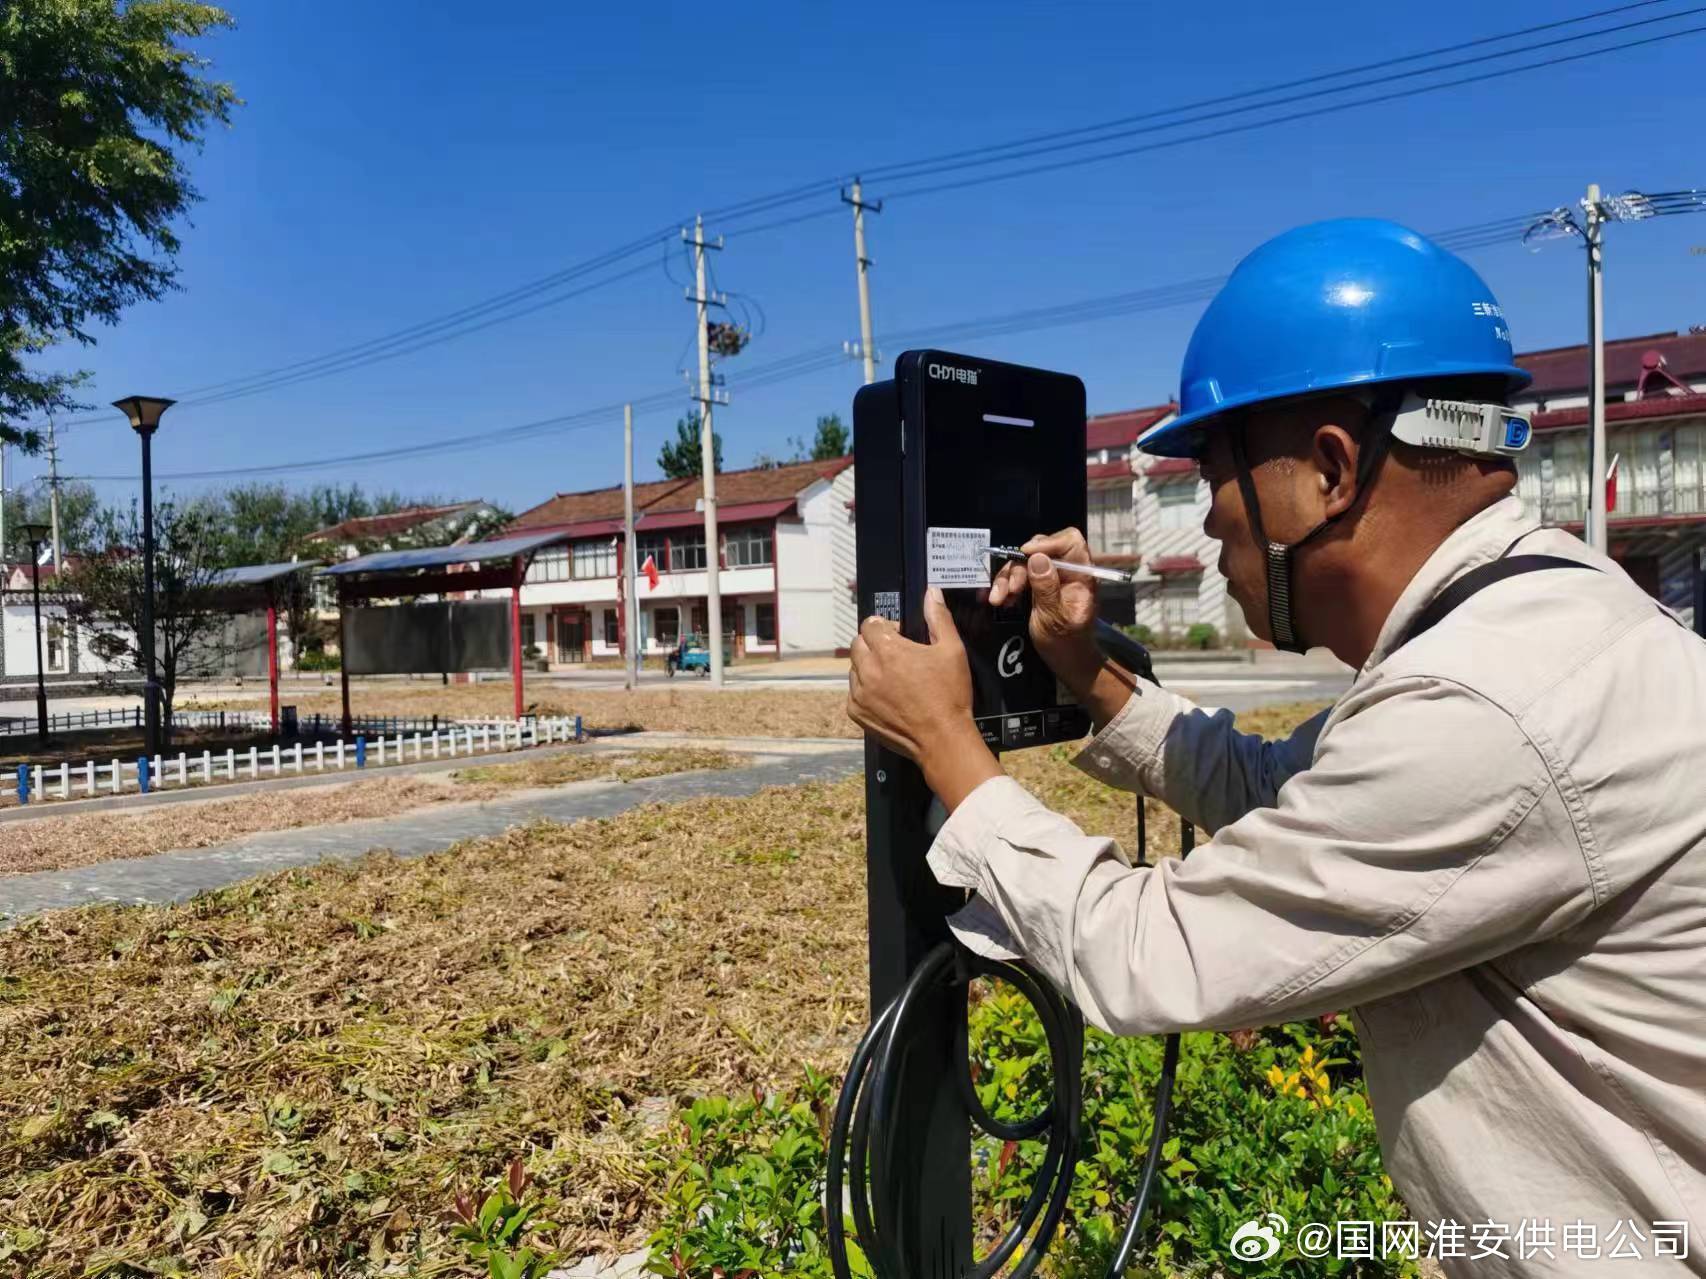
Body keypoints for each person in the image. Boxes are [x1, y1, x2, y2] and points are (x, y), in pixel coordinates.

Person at [846, 219, 1706, 1277]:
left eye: (1211, 471)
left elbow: (1144, 952)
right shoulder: (1539, 623)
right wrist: (1086, 674)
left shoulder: (1484, 713)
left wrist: (943, 743)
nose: (1206, 524)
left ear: (1328, 471)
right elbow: (1281, 790)